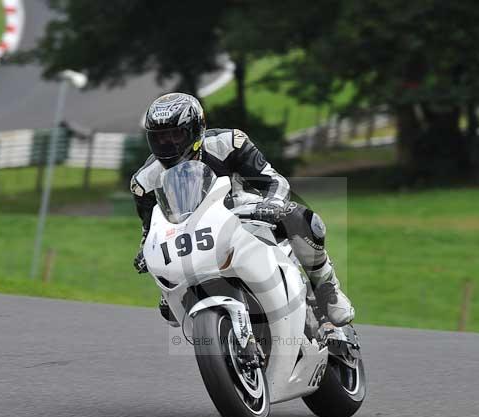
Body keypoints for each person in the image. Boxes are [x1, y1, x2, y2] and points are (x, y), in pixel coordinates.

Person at [130, 92, 354, 327]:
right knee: (170, 313)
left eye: (175, 134)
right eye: (160, 138)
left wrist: (272, 205)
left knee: (301, 218)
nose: (168, 144)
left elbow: (273, 181)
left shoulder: (228, 143)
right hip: (192, 238)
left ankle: (328, 290)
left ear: (196, 129)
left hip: (245, 217)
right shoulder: (144, 182)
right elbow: (151, 228)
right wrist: (145, 251)